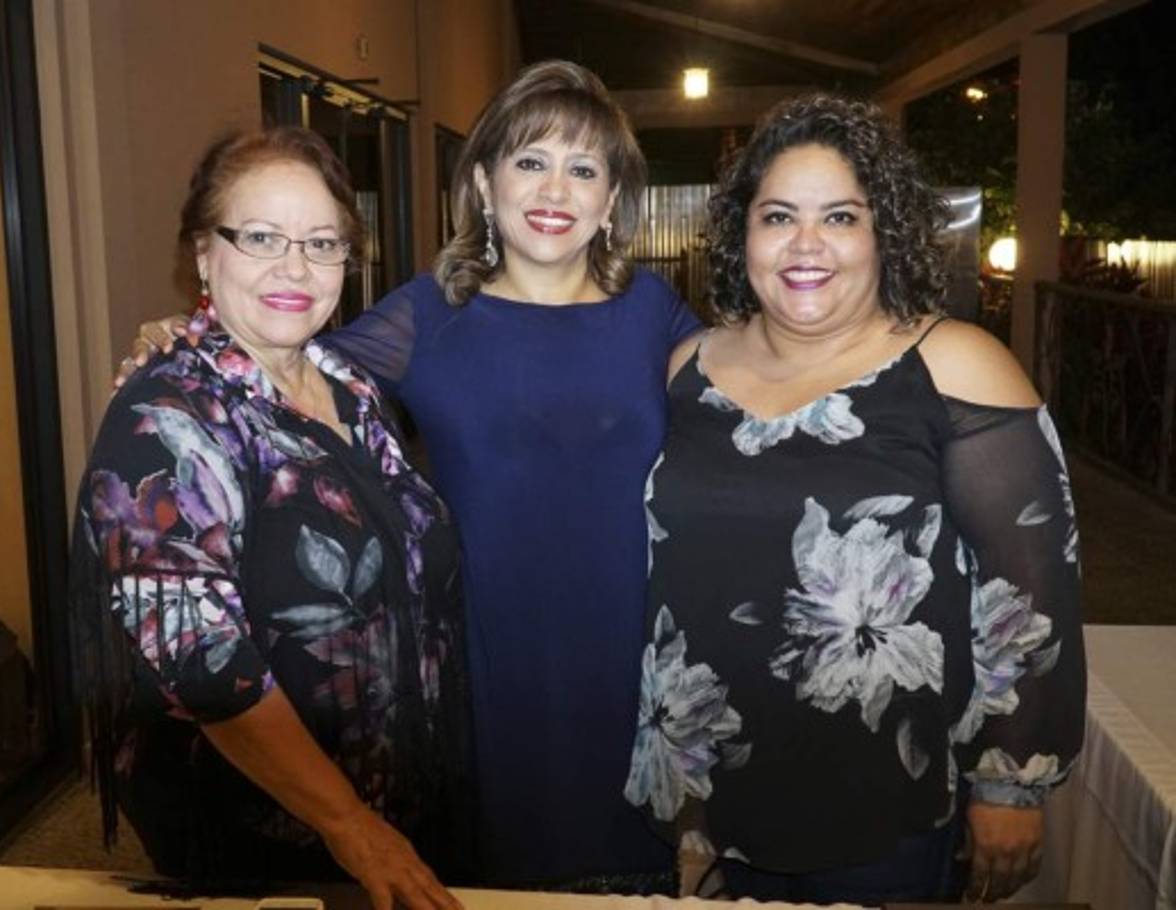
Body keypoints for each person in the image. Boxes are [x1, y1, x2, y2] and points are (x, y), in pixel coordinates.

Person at [116, 61, 702, 890]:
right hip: (484, 657)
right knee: (491, 879)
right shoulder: (429, 314)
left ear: (612, 202)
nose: (555, 190)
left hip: (626, 645)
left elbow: (750, 395)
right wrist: (191, 340)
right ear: (485, 183)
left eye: (584, 169)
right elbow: (290, 371)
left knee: (630, 878)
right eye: (530, 161)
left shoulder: (653, 312)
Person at [622, 94, 1085, 905]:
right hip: (707, 791)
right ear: (741, 234)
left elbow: (1031, 593)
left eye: (840, 217)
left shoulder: (955, 365)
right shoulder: (688, 367)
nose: (806, 244)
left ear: (883, 235)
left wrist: (1009, 783)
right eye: (778, 217)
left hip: (881, 799)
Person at [71, 126, 471, 910]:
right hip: (268, 833)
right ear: (203, 253)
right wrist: (350, 824)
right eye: (260, 237)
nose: (296, 267)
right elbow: (205, 664)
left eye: (322, 243)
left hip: (390, 799)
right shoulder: (165, 421)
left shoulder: (346, 384)